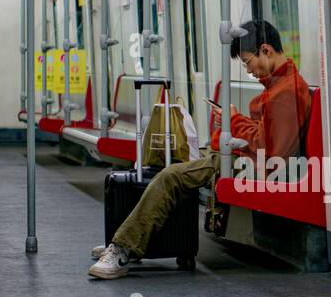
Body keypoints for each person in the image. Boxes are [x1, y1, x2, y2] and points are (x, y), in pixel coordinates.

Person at [88, 20, 312, 279]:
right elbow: (267, 136)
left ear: (266, 50)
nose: (250, 70)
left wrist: (234, 122)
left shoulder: (286, 92)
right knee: (169, 167)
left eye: (248, 62)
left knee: (172, 176)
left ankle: (122, 249)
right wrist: (235, 122)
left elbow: (271, 152)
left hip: (253, 166)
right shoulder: (280, 85)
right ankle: (132, 239)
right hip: (241, 156)